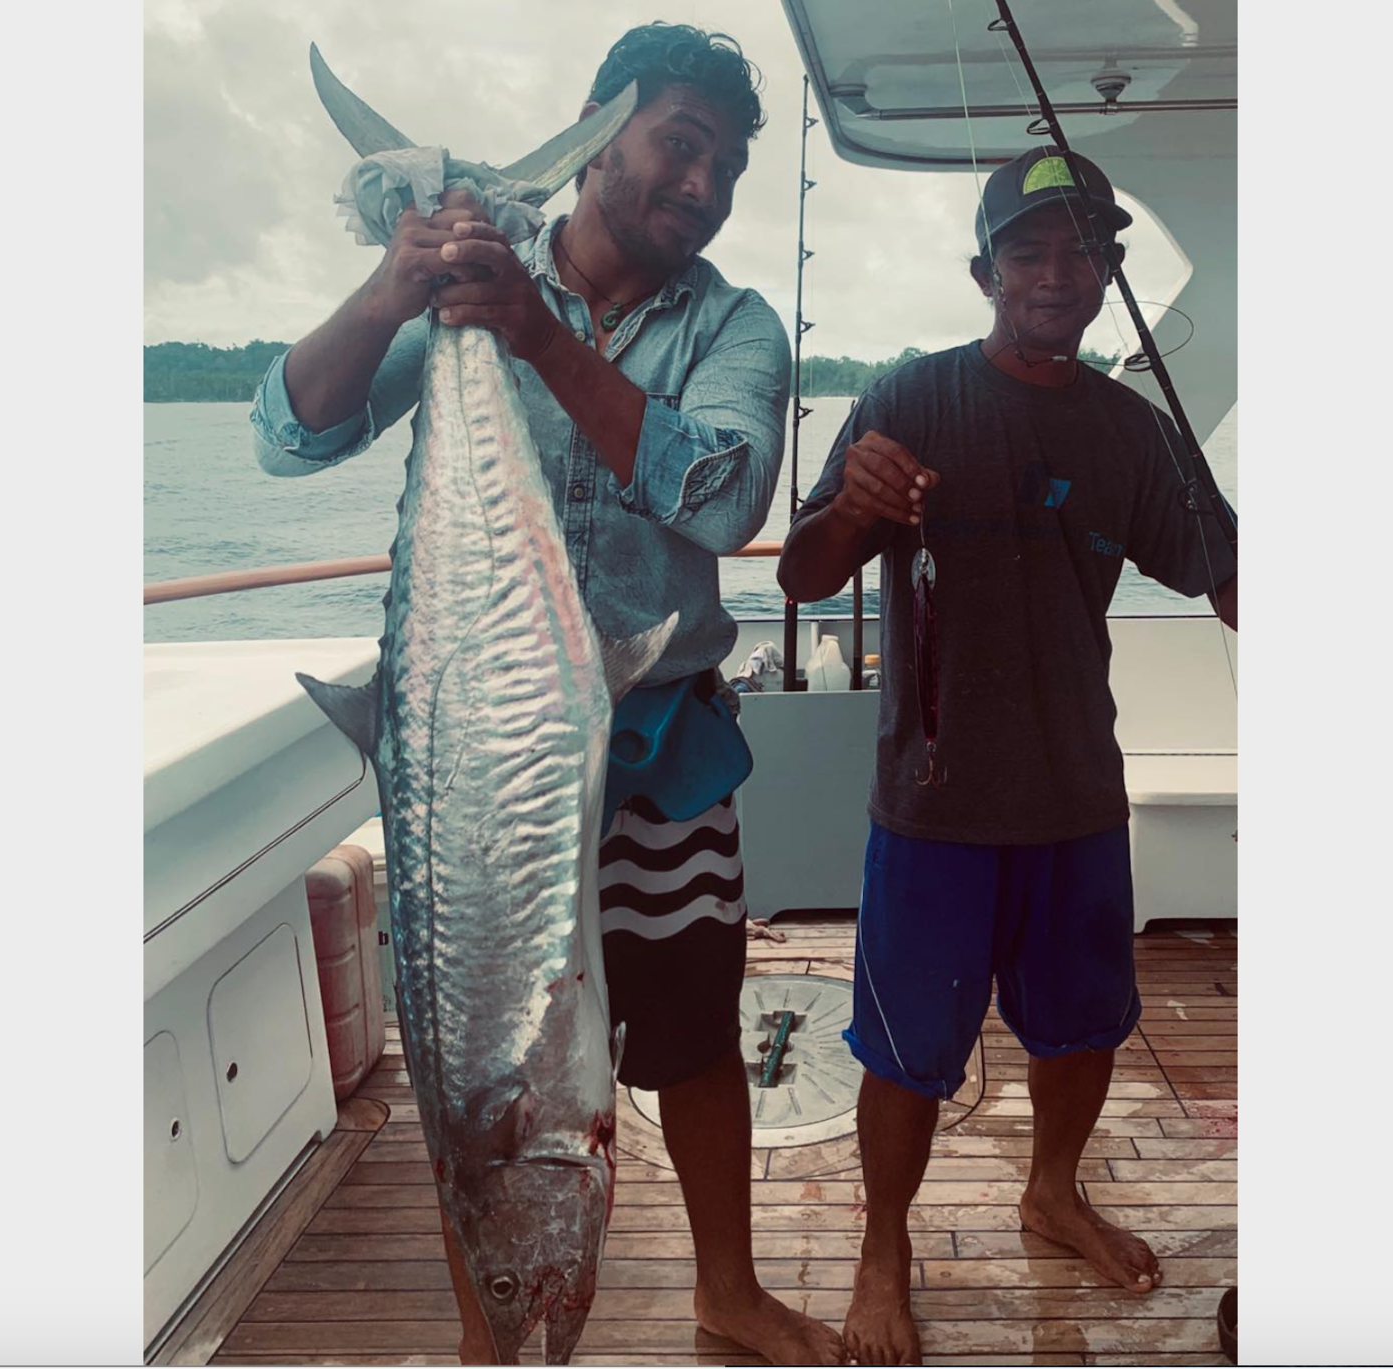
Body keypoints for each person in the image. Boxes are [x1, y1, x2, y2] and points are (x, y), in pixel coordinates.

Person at [251, 23, 844, 1367]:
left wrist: (529, 331)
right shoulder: (468, 287)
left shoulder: (731, 324)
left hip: (661, 741)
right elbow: (289, 436)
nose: (703, 186)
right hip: (479, 756)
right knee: (473, 1062)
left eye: (729, 166)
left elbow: (729, 488)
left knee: (694, 1035)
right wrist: (393, 291)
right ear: (601, 133)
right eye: (678, 146)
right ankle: (491, 1325)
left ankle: (727, 1289)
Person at [775, 145, 1240, 1365]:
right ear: (983, 271)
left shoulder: (1132, 432)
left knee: (1081, 1029)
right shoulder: (908, 397)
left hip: (1077, 794)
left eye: (1079, 249)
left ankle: (1052, 1190)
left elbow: (1223, 572)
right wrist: (853, 505)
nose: (1053, 271)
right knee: (905, 1051)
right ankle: (884, 1244)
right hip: (930, 809)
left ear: (1108, 274)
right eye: (1026, 251)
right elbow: (803, 572)